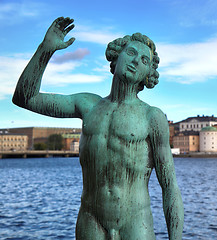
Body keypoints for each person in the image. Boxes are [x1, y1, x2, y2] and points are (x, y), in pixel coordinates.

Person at [13, 17, 184, 240]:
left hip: (136, 223)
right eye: (130, 53)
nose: (135, 61)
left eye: (144, 60)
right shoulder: (88, 105)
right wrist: (45, 50)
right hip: (90, 221)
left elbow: (169, 185)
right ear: (117, 56)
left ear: (148, 74)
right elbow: (25, 97)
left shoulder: (152, 117)